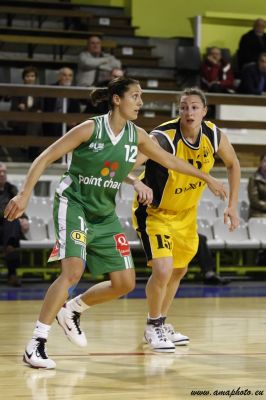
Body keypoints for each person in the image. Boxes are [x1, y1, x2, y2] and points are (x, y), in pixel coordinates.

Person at [4, 78, 227, 369]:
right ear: (117, 100)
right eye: (135, 96)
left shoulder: (137, 136)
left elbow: (169, 162)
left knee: (125, 283)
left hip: (103, 211)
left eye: (141, 96)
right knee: (73, 271)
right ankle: (37, 342)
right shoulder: (90, 128)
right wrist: (24, 194)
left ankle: (72, 309)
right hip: (74, 203)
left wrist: (205, 177)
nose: (141, 102)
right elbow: (46, 157)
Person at [131, 87, 240, 353]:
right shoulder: (162, 138)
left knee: (179, 271)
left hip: (186, 214)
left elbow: (233, 164)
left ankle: (162, 322)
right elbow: (128, 163)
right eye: (183, 107)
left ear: (204, 111)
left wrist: (232, 205)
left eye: (194, 107)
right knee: (163, 269)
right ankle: (152, 325)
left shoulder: (213, 135)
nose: (188, 112)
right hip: (155, 213)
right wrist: (135, 181)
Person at [0, 162, 29, 286]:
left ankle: (12, 273)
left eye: (4, 172)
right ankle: (12, 274)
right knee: (10, 221)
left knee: (12, 222)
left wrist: (24, 219)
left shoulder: (11, 188)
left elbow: (19, 207)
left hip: (7, 226)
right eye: (0, 172)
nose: (2, 174)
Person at [9, 66, 43, 161]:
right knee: (34, 124)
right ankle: (31, 147)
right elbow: (14, 107)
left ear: (35, 78)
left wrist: (39, 110)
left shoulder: (40, 90)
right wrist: (19, 106)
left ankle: (27, 144)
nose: (30, 78)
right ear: (24, 77)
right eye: (27, 76)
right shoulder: (18, 90)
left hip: (34, 119)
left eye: (32, 76)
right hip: (21, 119)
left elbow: (41, 107)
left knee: (35, 122)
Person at [43, 67, 80, 137]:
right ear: (59, 76)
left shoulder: (75, 90)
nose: (67, 78)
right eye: (64, 75)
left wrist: (73, 120)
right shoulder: (51, 89)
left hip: (68, 122)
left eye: (70, 75)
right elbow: (47, 108)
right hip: (53, 120)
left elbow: (76, 110)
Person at [248, 153, 266, 265]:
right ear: (260, 163)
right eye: (265, 161)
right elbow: (254, 201)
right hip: (258, 214)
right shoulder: (254, 179)